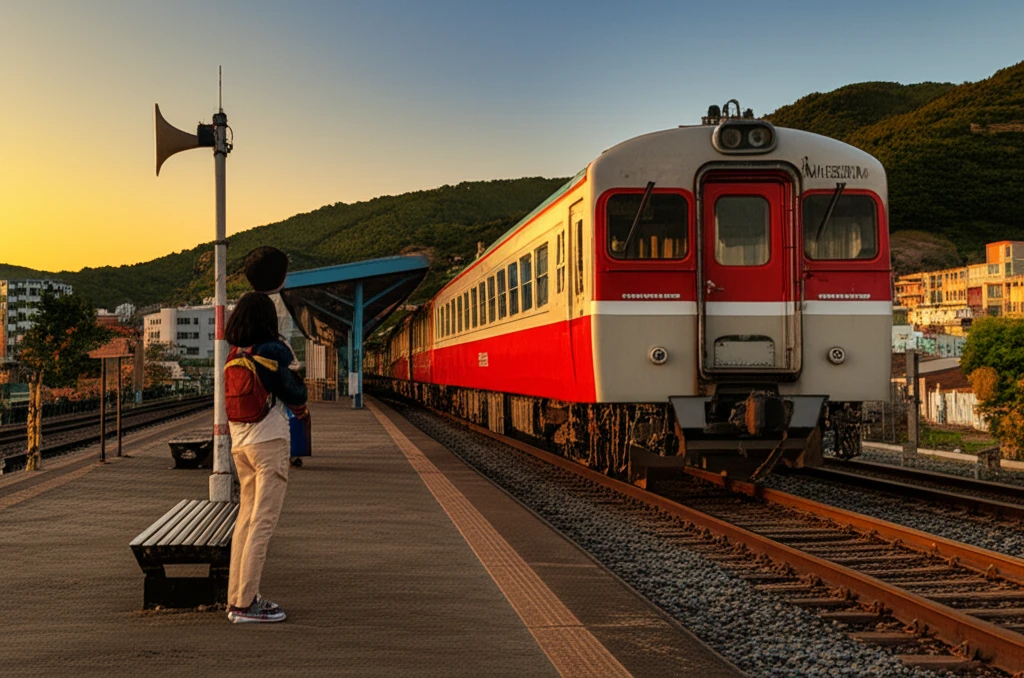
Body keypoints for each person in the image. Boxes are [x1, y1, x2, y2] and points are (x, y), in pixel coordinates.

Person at [224, 292, 308, 623]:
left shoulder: (234, 354)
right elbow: (296, 392)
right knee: (263, 522)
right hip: (268, 444)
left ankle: (236, 598)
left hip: (240, 445)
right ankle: (246, 605)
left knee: (245, 521)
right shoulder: (269, 353)